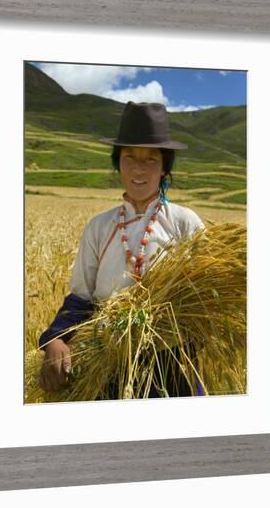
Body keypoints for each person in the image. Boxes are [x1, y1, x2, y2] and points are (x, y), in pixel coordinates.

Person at [37, 101, 205, 398]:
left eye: (151, 158)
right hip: (108, 365)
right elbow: (81, 298)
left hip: (172, 367)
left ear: (165, 166)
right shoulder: (100, 227)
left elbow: (205, 300)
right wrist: (55, 340)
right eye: (129, 157)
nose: (139, 168)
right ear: (117, 163)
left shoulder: (184, 223)